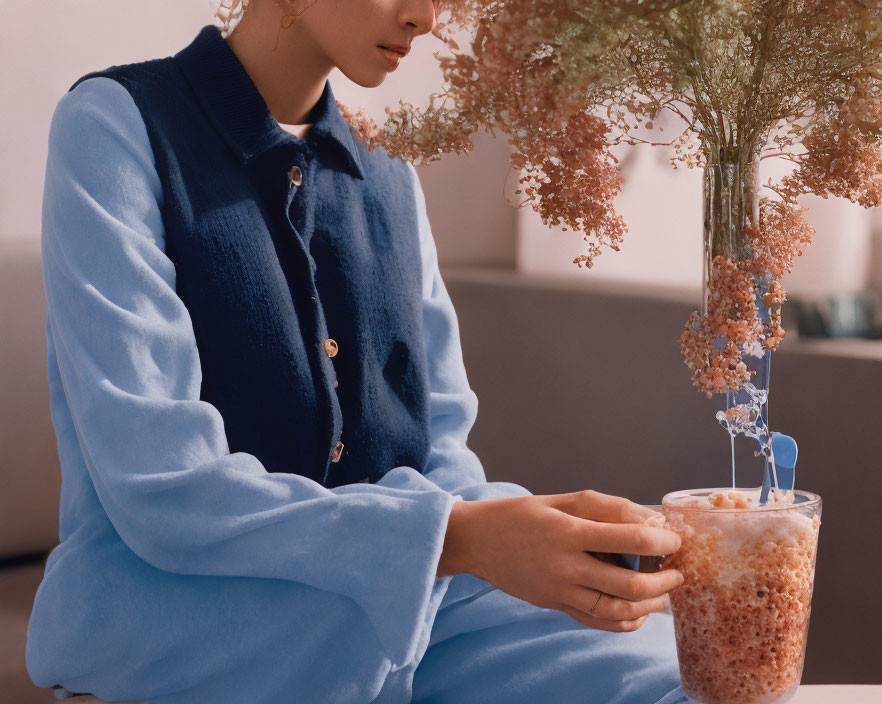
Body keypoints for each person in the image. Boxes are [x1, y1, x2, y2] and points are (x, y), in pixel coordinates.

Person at [27, 0, 688, 702]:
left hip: (410, 614)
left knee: (676, 670)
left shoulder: (390, 172)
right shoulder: (115, 126)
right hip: (185, 619)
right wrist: (463, 539)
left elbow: (442, 459)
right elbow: (159, 484)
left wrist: (536, 543)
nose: (426, 18)